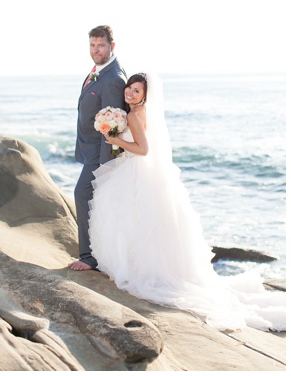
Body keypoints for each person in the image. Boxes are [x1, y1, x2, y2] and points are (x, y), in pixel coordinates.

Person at [88, 72, 285, 331]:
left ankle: (137, 269)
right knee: (145, 222)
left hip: (136, 170)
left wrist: (115, 140)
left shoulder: (135, 115)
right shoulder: (141, 112)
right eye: (129, 88)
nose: (130, 93)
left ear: (146, 95)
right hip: (143, 172)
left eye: (136, 91)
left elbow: (143, 149)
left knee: (133, 220)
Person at [69, 25, 127, 271]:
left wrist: (106, 166)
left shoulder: (113, 79)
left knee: (82, 195)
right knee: (93, 200)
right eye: (92, 45)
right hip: (89, 151)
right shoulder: (99, 71)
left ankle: (89, 257)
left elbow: (113, 126)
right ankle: (100, 252)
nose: (96, 50)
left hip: (98, 156)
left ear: (111, 46)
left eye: (101, 45)